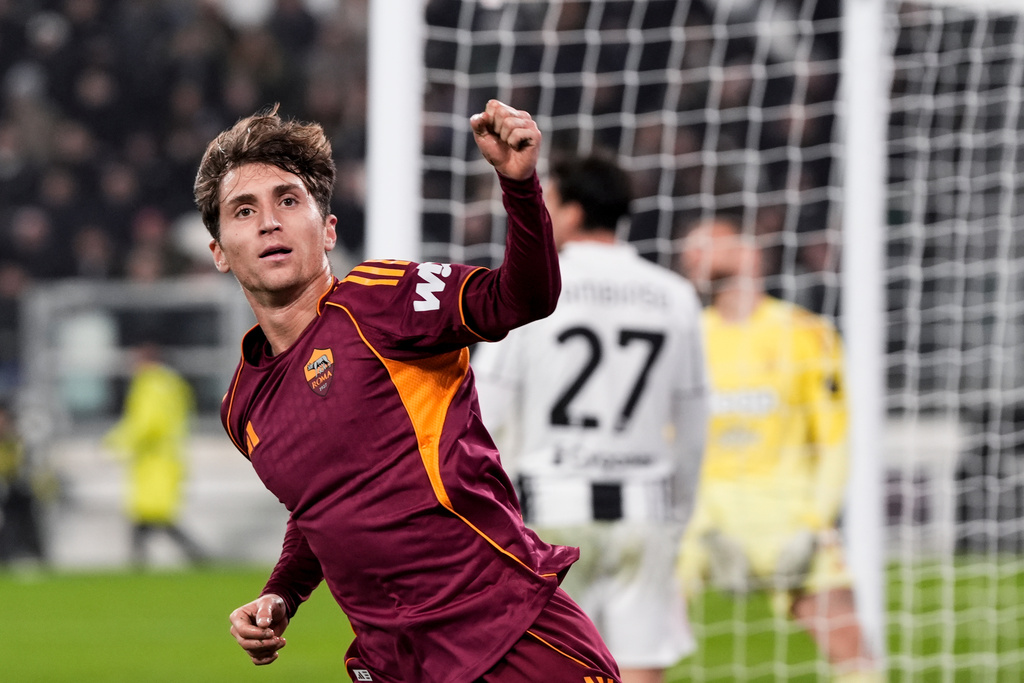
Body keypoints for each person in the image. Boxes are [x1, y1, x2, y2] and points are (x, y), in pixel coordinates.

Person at [195, 100, 621, 683]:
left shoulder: (382, 299)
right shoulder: (243, 404)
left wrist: (519, 185)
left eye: (288, 201)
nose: (270, 221)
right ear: (219, 251)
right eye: (244, 211)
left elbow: (521, 298)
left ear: (328, 229)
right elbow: (319, 511)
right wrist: (281, 596)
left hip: (506, 634)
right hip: (396, 664)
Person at [472, 152, 710, 683]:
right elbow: (694, 419)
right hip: (643, 509)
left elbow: (484, 410)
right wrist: (680, 513)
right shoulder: (674, 296)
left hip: (550, 508)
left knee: (546, 668)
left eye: (549, 201)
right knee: (640, 667)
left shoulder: (532, 290)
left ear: (573, 212)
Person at [675, 215, 881, 683]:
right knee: (634, 639)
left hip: (785, 514)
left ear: (749, 251)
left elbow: (833, 441)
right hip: (701, 517)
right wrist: (699, 523)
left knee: (851, 648)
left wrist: (813, 523)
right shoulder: (687, 338)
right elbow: (673, 447)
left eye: (705, 242)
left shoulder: (805, 333)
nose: (690, 254)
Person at [104, 342, 206, 567]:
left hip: (152, 458)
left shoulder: (149, 384)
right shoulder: (173, 383)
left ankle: (194, 555)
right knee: (150, 514)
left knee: (152, 513)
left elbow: (147, 423)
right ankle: (142, 561)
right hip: (168, 456)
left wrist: (117, 442)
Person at [0, 399, 45, 566]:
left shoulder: (17, 442)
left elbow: (25, 468)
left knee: (24, 511)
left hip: (16, 494)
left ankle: (31, 555)